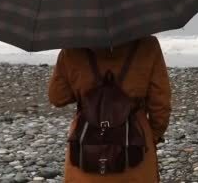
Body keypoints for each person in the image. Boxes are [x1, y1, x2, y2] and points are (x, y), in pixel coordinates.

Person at [48, 36, 171, 182]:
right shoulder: (148, 45)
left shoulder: (72, 48)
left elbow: (57, 97)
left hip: (86, 140)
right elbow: (160, 104)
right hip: (136, 140)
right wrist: (154, 136)